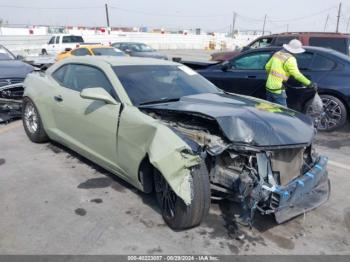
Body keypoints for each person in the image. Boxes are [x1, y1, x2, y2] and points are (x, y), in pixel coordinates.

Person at [265, 39, 317, 107]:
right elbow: (297, 75)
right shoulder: (290, 59)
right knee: (283, 112)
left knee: (269, 109)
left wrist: (273, 77)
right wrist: (309, 83)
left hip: (269, 86)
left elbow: (267, 66)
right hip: (278, 89)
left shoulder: (277, 53)